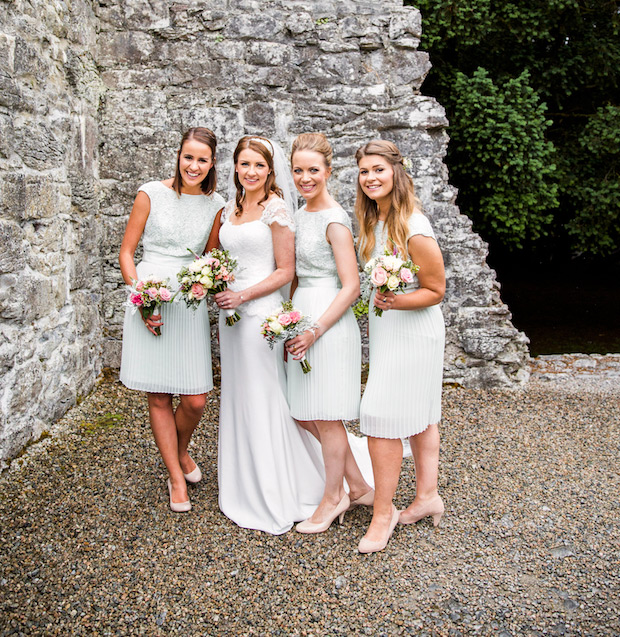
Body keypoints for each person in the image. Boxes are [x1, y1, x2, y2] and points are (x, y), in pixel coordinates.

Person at [205, 135, 325, 535]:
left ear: (270, 170)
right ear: (235, 167)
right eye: (244, 164)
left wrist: (242, 294)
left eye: (258, 165)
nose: (251, 172)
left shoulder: (276, 209)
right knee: (240, 396)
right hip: (231, 317)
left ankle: (278, 489)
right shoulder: (229, 208)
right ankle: (244, 481)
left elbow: (284, 271)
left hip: (260, 316)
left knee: (264, 396)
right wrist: (214, 280)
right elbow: (218, 257)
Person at [119, 127, 224, 512]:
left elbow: (209, 260)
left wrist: (207, 281)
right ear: (178, 156)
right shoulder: (151, 192)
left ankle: (180, 452)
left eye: (202, 159)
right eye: (188, 157)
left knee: (195, 399)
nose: (193, 165)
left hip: (188, 304)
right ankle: (175, 476)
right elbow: (127, 252)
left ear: (212, 163)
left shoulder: (217, 205)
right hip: (150, 298)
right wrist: (141, 297)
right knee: (160, 395)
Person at [354, 139, 446, 554]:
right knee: (422, 415)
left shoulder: (413, 224)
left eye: (378, 169)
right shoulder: (374, 220)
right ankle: (427, 496)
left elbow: (436, 289)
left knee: (378, 415)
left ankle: (383, 512)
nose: (370, 178)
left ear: (397, 173)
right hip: (390, 331)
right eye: (363, 171)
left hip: (416, 331)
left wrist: (395, 301)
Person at [285, 133, 374, 533]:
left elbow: (351, 286)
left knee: (326, 416)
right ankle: (357, 485)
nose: (306, 178)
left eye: (313, 170)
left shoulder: (335, 221)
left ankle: (332, 497)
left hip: (329, 325)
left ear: (328, 171)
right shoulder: (298, 214)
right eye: (298, 170)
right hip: (302, 315)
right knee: (305, 413)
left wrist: (316, 329)